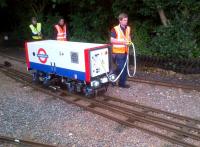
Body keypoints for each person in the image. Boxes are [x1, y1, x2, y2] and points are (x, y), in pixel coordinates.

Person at [110, 13, 131, 88]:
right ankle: (119, 82)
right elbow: (112, 40)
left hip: (125, 51)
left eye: (127, 20)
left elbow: (128, 37)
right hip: (117, 52)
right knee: (121, 68)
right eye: (124, 20)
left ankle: (114, 79)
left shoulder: (128, 28)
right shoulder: (115, 29)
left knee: (123, 68)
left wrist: (129, 42)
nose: (126, 22)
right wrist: (123, 42)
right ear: (120, 21)